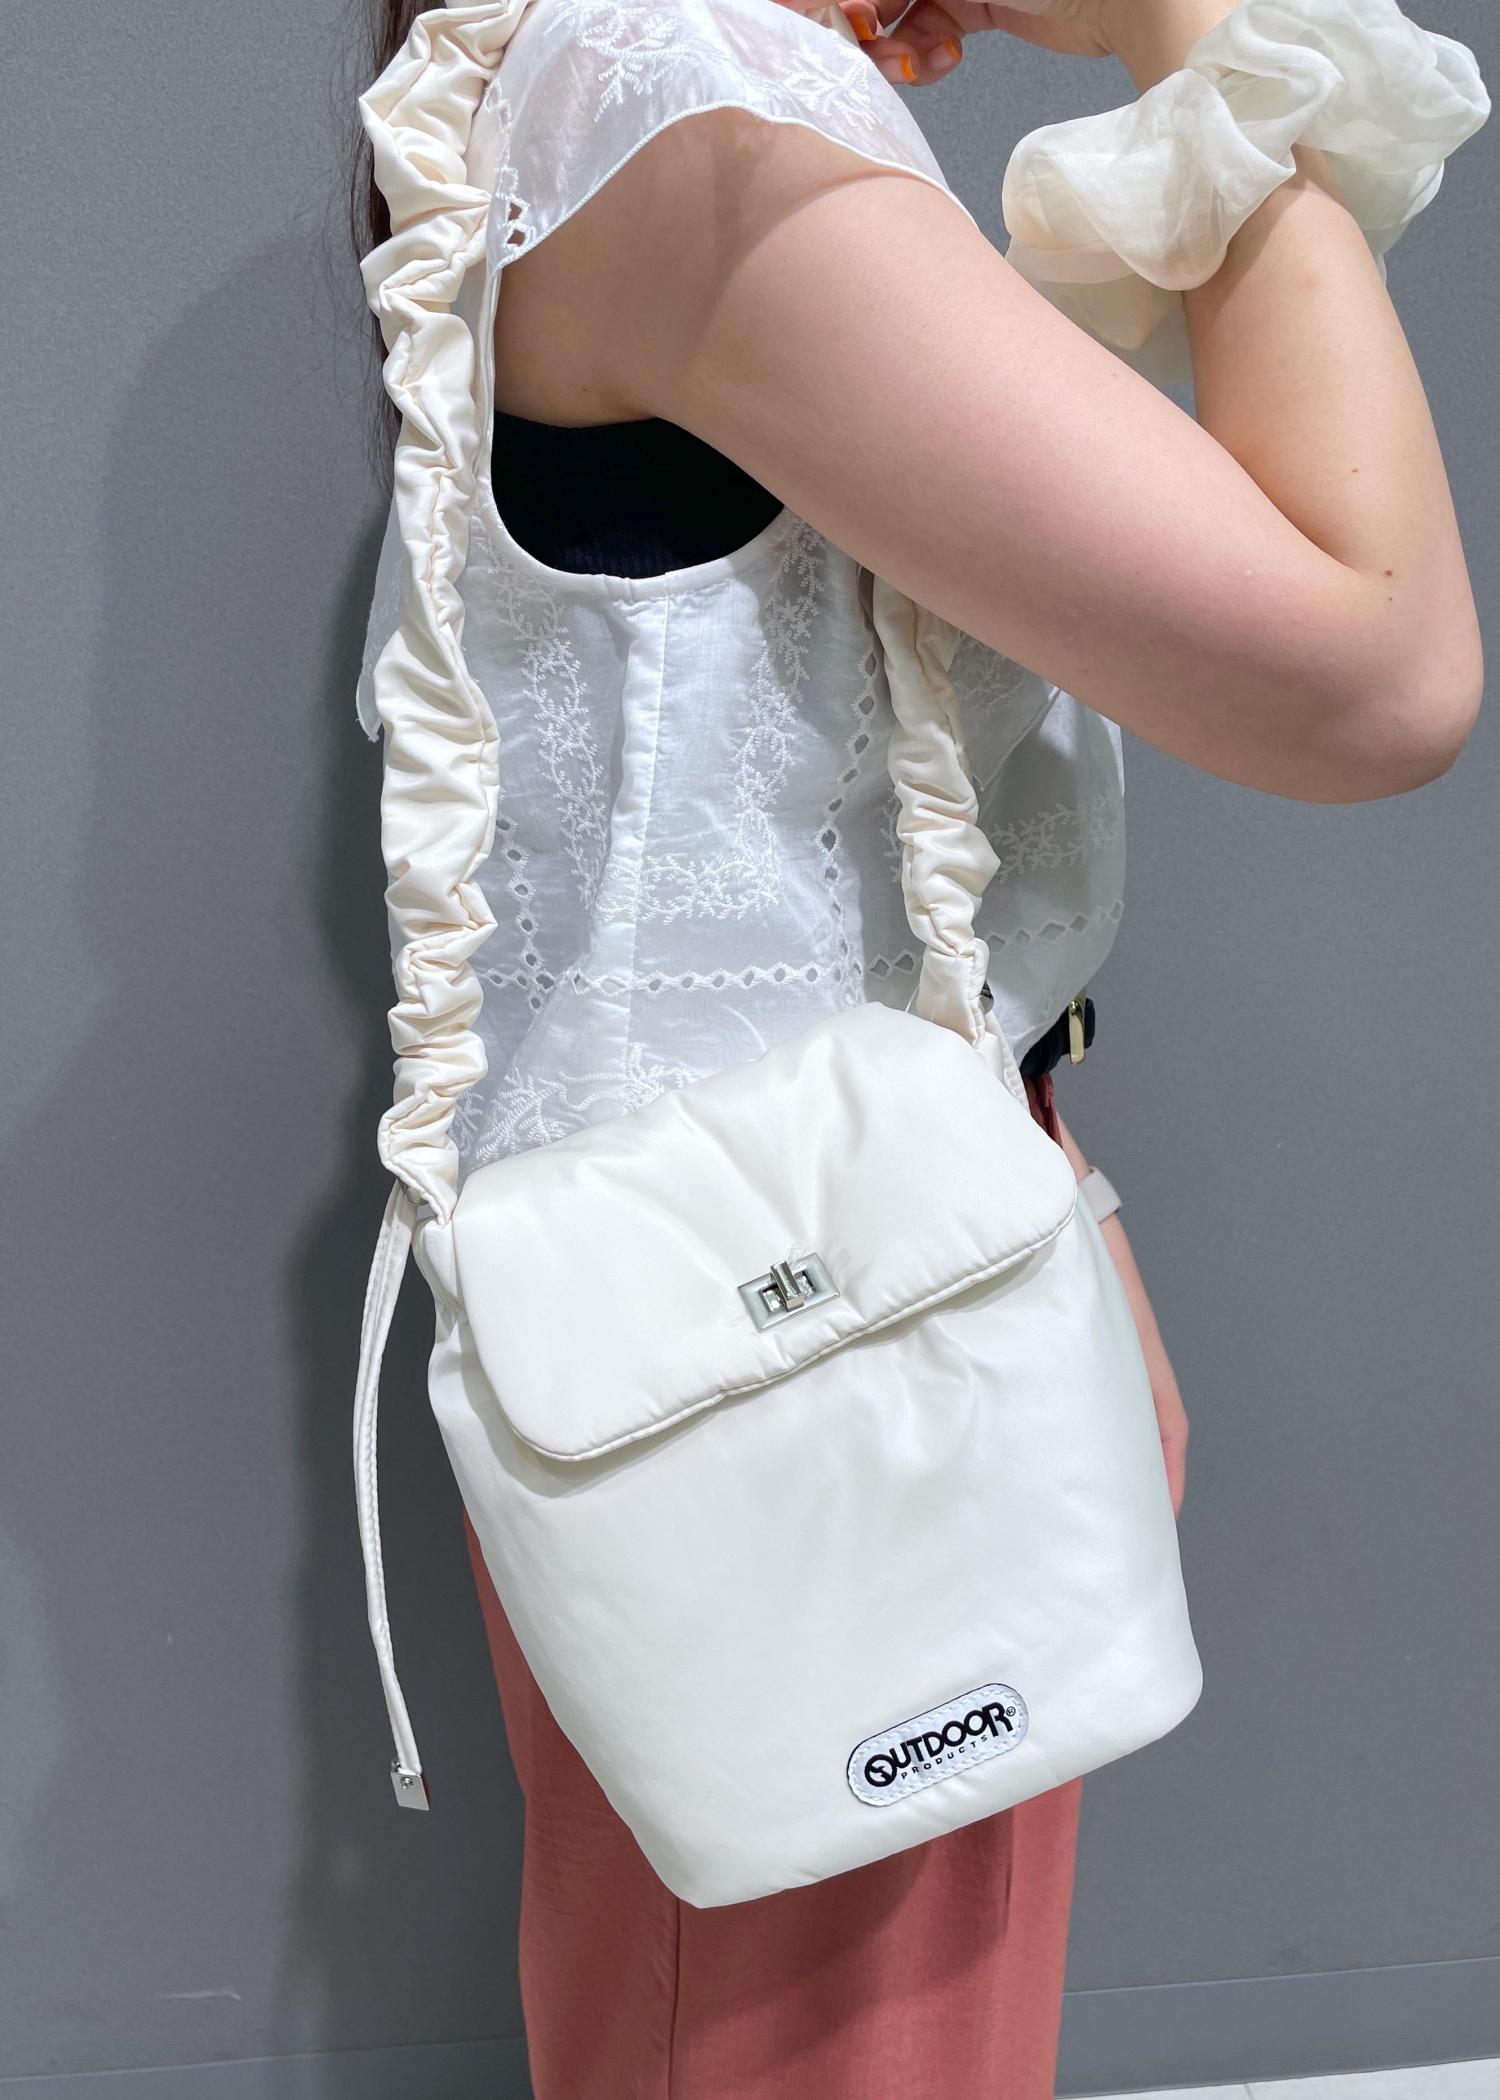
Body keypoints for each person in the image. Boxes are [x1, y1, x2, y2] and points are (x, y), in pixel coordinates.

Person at [348, 0, 1484, 2091]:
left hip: (852, 1287)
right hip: (797, 1360)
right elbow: (1378, 672)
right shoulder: (685, 94)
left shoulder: (605, 89)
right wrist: (1195, 24)